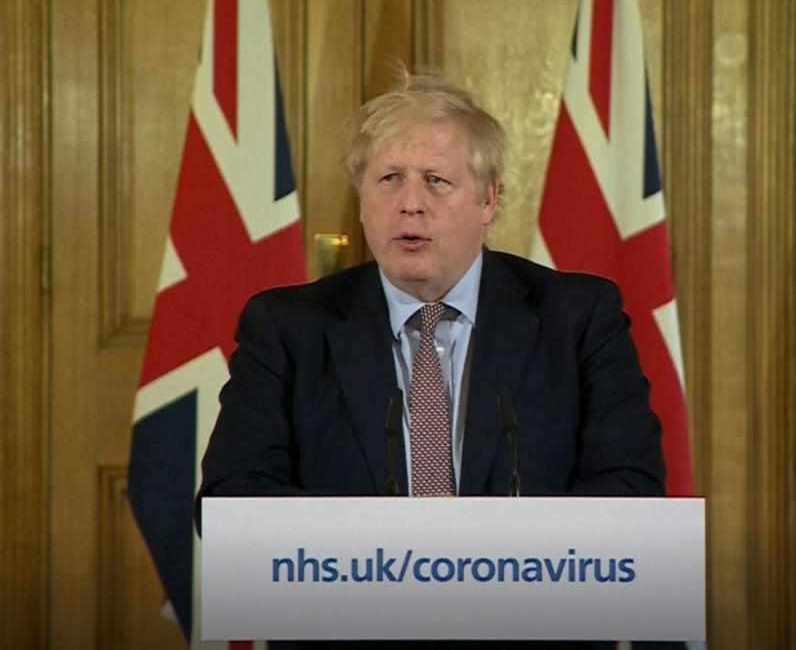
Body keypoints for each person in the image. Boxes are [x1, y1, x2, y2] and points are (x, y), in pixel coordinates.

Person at [198, 71, 674, 649]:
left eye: (436, 181)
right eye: (389, 179)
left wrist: (478, 569)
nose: (410, 205)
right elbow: (231, 503)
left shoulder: (577, 318)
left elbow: (630, 491)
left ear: (488, 198)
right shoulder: (288, 327)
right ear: (363, 200)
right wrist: (401, 565)